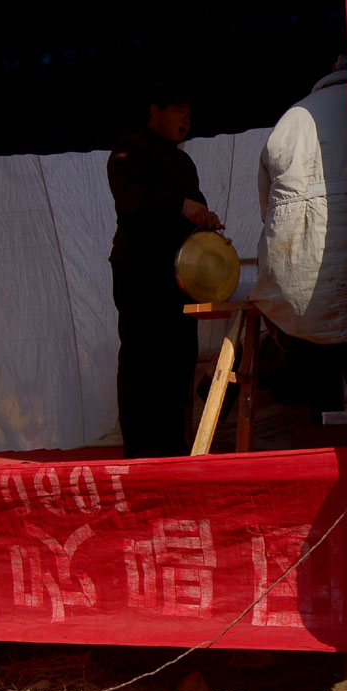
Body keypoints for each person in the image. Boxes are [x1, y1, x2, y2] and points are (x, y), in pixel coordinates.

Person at [251, 54, 347, 419]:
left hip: (296, 296)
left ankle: (322, 424)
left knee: (311, 352)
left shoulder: (291, 118)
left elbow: (266, 210)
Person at [108, 82, 221, 458]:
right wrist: (181, 206)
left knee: (178, 360)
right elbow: (131, 200)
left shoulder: (183, 161)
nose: (186, 117)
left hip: (179, 277)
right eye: (177, 109)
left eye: (189, 111)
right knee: (143, 359)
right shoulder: (129, 151)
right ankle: (140, 451)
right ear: (154, 110)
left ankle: (174, 448)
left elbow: (194, 207)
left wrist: (207, 224)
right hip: (139, 274)